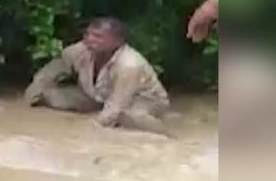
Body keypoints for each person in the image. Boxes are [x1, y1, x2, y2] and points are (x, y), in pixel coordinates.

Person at [24, 18, 171, 135]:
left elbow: (115, 108)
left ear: (117, 42)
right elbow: (48, 74)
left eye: (98, 36)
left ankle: (168, 137)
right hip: (99, 95)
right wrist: (30, 95)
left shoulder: (129, 65)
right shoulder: (77, 51)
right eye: (87, 34)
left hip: (141, 100)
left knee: (125, 117)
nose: (89, 39)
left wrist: (87, 129)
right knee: (49, 96)